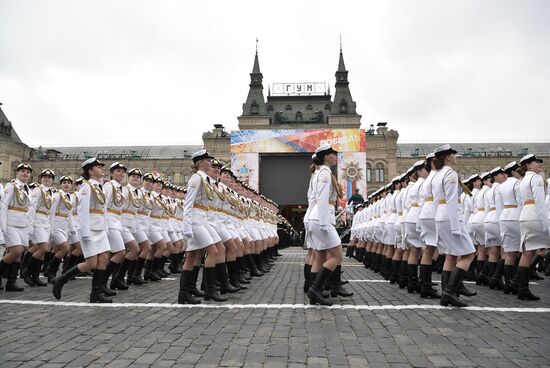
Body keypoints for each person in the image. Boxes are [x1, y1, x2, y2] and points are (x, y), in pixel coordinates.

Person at [52, 157, 112, 303]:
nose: (102, 169)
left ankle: (96, 293)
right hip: (90, 230)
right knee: (91, 263)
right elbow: (83, 211)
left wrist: (105, 228)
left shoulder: (99, 187)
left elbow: (103, 210)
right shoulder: (86, 187)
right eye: (99, 167)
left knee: (104, 258)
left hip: (100, 229)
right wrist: (84, 234)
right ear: (90, 171)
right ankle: (61, 280)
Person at [178, 149, 225, 304]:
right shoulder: (196, 179)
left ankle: (186, 291)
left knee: (192, 256)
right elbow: (188, 204)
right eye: (207, 160)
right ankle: (210, 290)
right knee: (213, 251)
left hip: (203, 219)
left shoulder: (205, 180)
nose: (210, 162)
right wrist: (187, 228)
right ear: (199, 163)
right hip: (196, 221)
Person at [432, 145, 476, 307]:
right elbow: (451, 200)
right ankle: (450, 292)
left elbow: (438, 200)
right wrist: (456, 226)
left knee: (450, 255)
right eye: (453, 155)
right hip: (451, 216)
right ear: (447, 157)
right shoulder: (450, 173)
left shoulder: (437, 175)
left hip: (441, 216)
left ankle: (446, 293)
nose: (456, 157)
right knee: (469, 254)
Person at [307, 144, 351, 305]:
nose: (335, 157)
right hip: (321, 218)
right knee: (337, 255)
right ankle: (315, 289)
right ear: (326, 156)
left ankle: (313, 292)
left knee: (320, 257)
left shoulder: (322, 173)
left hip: (317, 217)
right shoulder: (325, 173)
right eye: (333, 154)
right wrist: (325, 223)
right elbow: (323, 199)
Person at [517, 154, 549, 300]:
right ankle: (521, 287)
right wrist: (546, 224)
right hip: (535, 215)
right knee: (533, 251)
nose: (539, 165)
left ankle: (521, 288)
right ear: (528, 165)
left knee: (527, 252)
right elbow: (540, 202)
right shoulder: (536, 178)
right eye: (536, 163)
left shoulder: (523, 180)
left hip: (525, 215)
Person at [0, 163, 33, 291]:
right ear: (17, 173)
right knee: (16, 250)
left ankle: (11, 282)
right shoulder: (11, 186)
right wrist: (3, 227)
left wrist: (29, 228)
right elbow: (3, 207)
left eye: (28, 172)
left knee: (19, 253)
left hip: (23, 225)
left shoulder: (28, 189)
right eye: (22, 171)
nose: (25, 173)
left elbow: (28, 210)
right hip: (11, 224)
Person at [45, 175, 76, 282]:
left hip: (65, 226)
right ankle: (50, 270)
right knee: (65, 248)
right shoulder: (58, 195)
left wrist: (72, 230)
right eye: (64, 182)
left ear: (72, 185)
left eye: (68, 183)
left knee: (61, 249)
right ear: (60, 185)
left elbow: (70, 214)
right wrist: (51, 228)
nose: (66, 184)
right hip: (56, 225)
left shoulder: (70, 197)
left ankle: (50, 271)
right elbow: (51, 212)